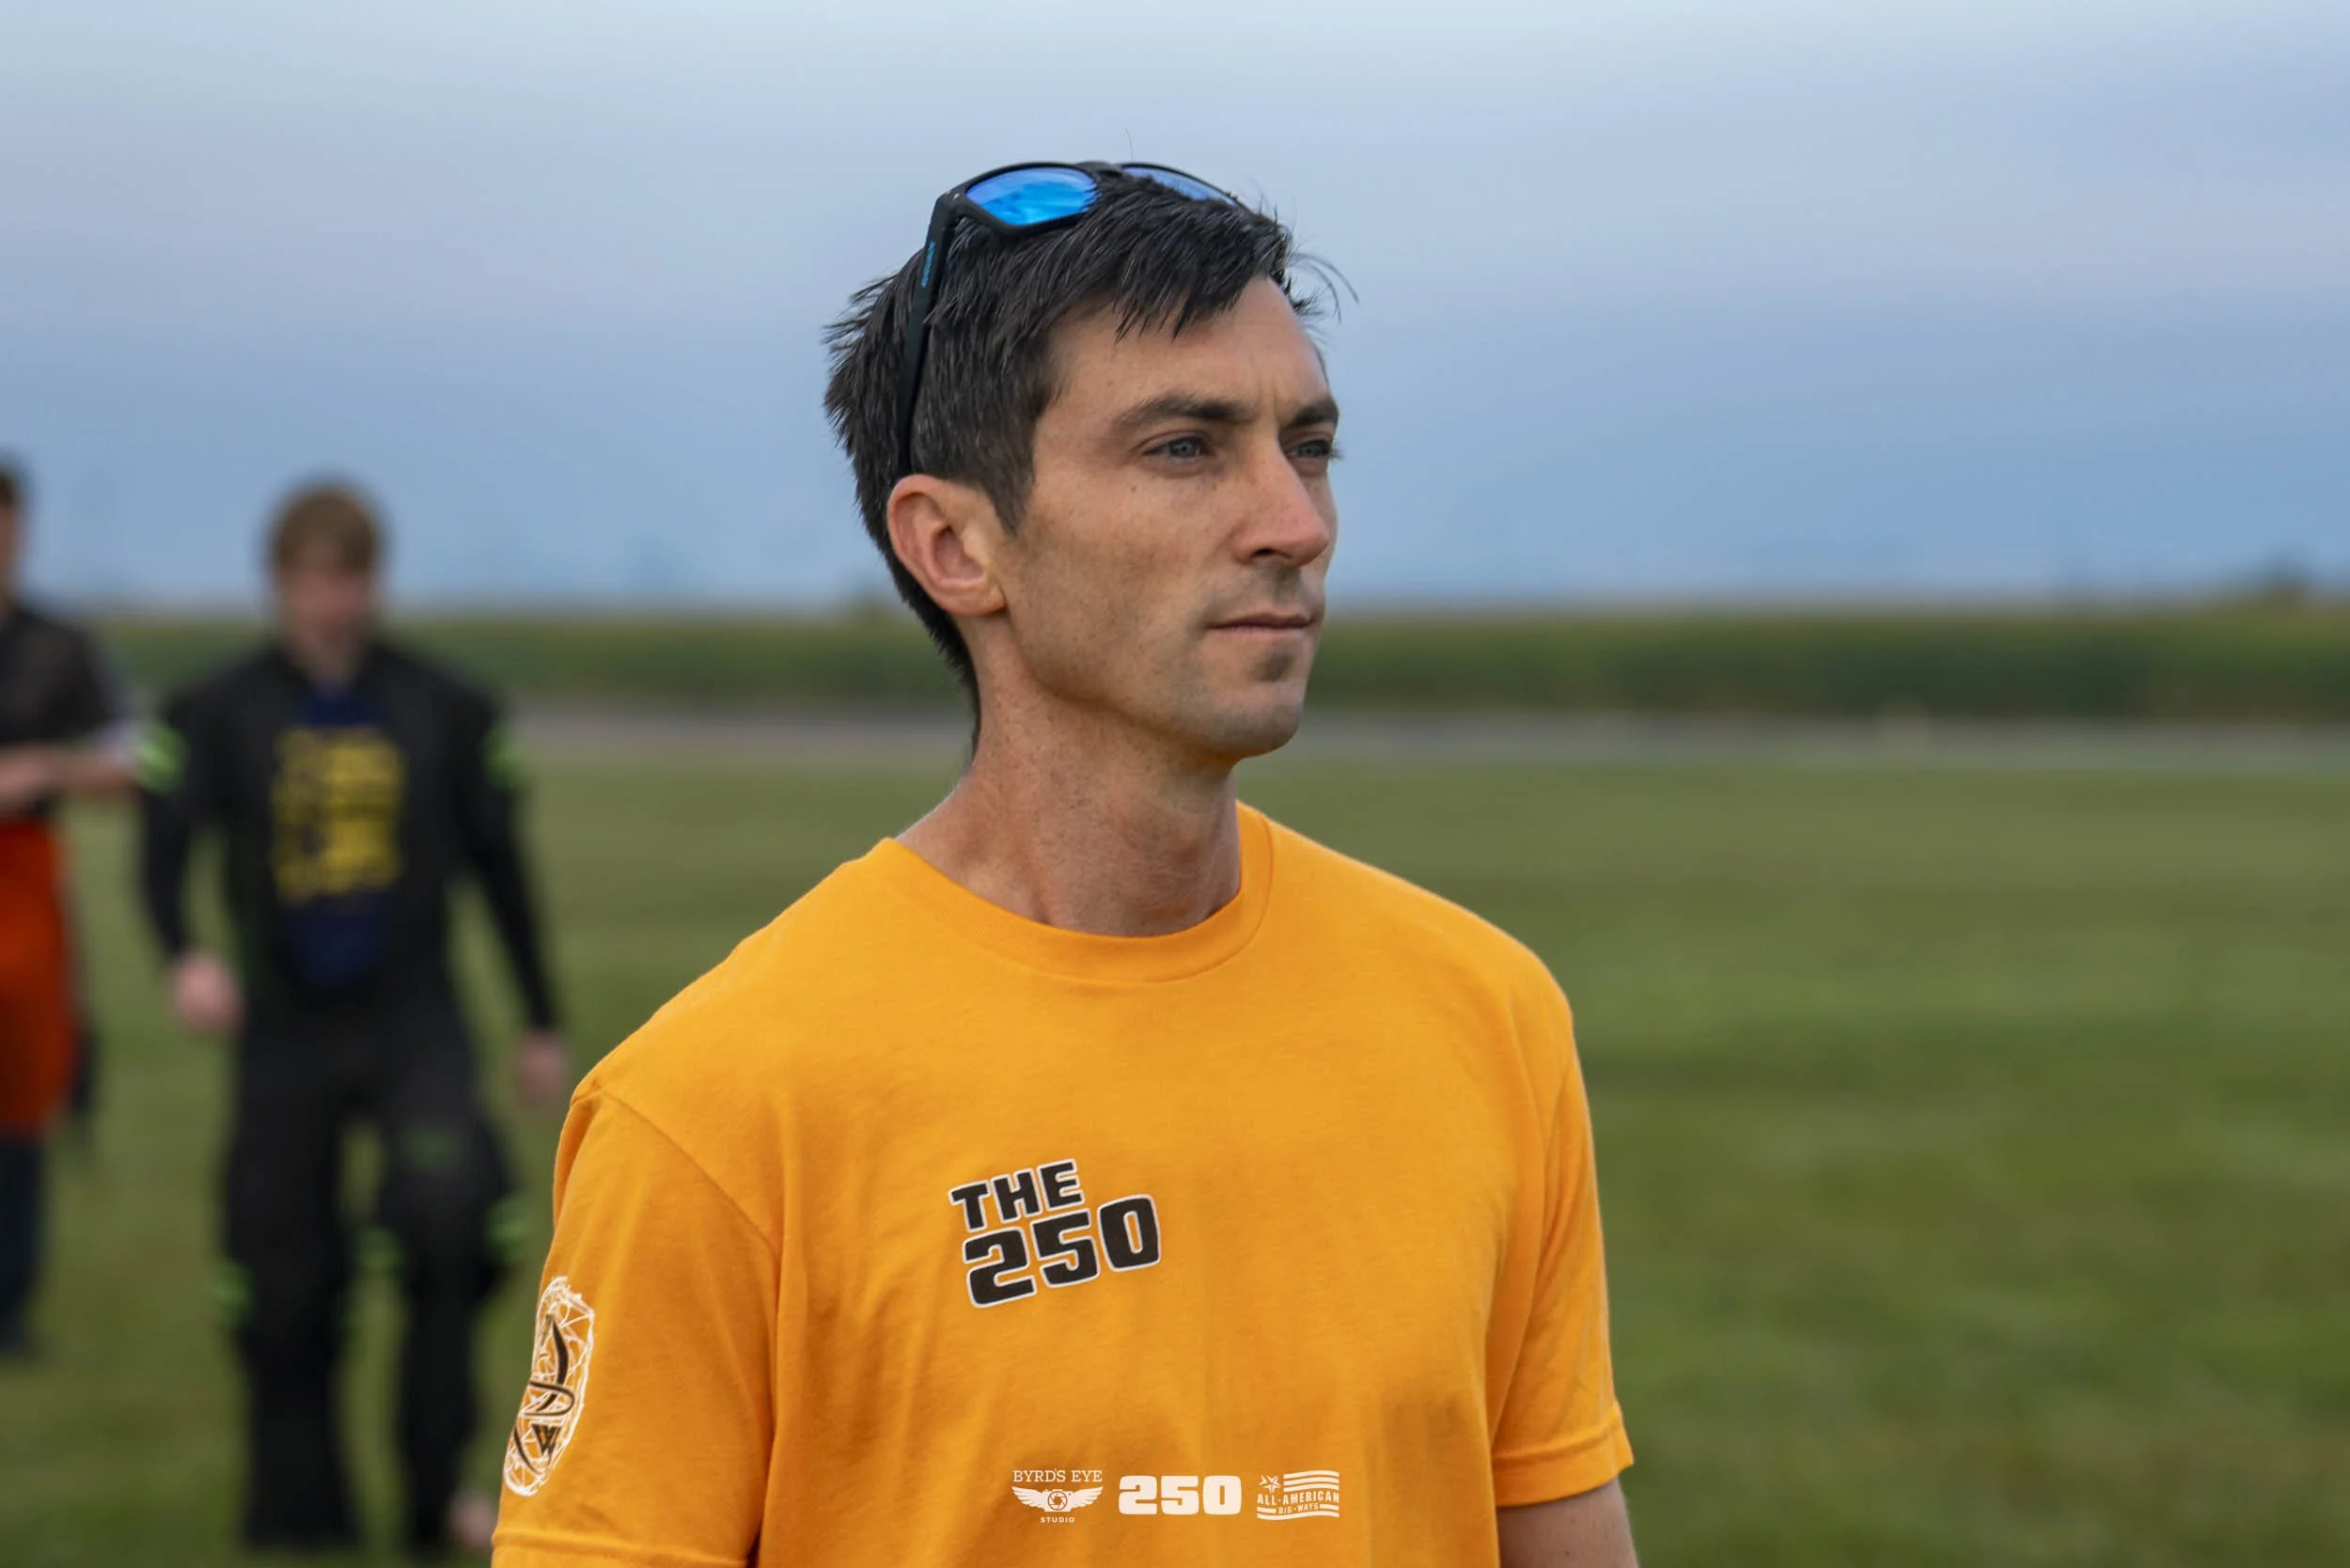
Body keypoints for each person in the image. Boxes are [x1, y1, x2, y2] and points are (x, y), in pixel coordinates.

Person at [493, 165, 1638, 1568]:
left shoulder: (1486, 1013)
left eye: (1310, 444)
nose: (1296, 521)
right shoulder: (718, 1113)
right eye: (1186, 448)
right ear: (956, 544)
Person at [140, 483, 571, 1557]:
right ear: (280, 584)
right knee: (280, 1275)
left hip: (411, 1019)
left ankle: (435, 1498)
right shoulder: (216, 710)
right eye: (312, 579)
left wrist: (538, 1019)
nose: (332, 601)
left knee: (450, 1217)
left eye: (350, 578)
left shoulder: (446, 709)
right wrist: (185, 954)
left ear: (374, 583)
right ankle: (299, 1511)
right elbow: (162, 848)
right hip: (283, 1030)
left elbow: (502, 871)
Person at [0, 457, 135, 1360]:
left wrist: (46, 769)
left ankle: (9, 1299)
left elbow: (137, 761)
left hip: (22, 878)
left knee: (23, 1081)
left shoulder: (58, 646)